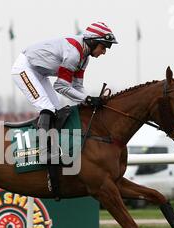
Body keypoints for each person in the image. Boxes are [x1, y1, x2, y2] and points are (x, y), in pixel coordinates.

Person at [11, 21, 118, 163]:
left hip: (40, 73)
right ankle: (43, 152)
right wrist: (88, 99)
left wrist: (90, 99)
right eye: (104, 47)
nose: (104, 52)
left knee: (58, 110)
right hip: (24, 69)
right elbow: (61, 86)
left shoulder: (84, 58)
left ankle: (56, 146)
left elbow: (77, 86)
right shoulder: (74, 53)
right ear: (92, 42)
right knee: (47, 108)